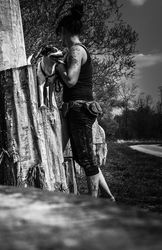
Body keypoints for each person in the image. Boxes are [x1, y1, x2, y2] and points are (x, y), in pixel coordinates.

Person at [55, 4, 115, 201]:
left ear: (64, 31)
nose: (61, 40)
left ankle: (93, 202)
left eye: (61, 35)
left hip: (79, 109)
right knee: (84, 157)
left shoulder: (75, 51)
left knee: (86, 159)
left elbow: (71, 79)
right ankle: (109, 198)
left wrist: (58, 66)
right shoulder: (79, 50)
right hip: (79, 108)